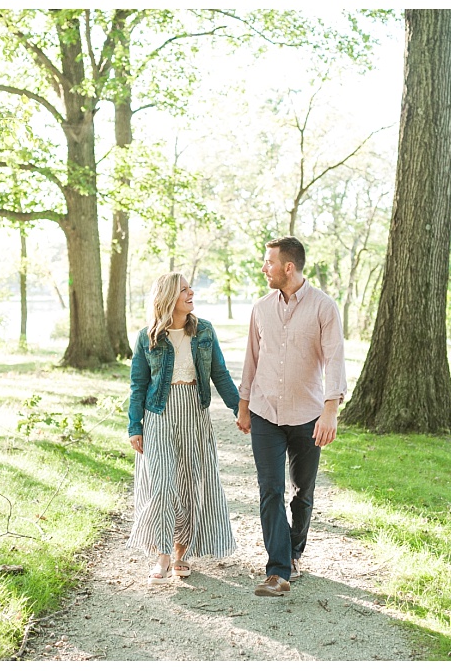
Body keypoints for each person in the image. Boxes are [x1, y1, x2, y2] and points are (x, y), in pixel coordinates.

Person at [236, 236, 348, 597]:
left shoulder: (323, 307)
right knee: (270, 489)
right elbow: (252, 358)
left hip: (307, 414)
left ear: (289, 267)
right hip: (265, 411)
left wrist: (330, 410)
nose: (263, 268)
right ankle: (278, 570)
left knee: (303, 492)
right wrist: (244, 404)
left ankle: (294, 553)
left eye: (269, 262)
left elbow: (334, 359)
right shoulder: (260, 308)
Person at [127, 272, 240, 585]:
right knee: (162, 482)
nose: (192, 293)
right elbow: (138, 384)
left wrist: (239, 408)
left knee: (190, 482)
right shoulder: (147, 336)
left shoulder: (204, 331)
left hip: (194, 409)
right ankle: (161, 553)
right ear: (167, 299)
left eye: (191, 288)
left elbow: (221, 374)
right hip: (158, 413)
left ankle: (180, 552)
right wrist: (134, 425)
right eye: (184, 290)